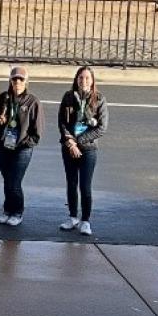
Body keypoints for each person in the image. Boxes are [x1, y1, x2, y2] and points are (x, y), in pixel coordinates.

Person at [58, 66, 107, 236]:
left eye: (87, 78)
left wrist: (78, 141)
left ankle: (85, 220)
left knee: (85, 186)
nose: (83, 81)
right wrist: (70, 142)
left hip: (88, 149)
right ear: (76, 80)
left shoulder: (99, 99)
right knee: (71, 184)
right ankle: (72, 217)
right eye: (80, 78)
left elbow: (101, 128)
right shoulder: (68, 97)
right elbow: (62, 122)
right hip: (69, 147)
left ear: (92, 80)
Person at [0, 66, 42, 227]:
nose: (17, 82)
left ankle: (17, 212)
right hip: (4, 145)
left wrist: (25, 143)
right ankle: (7, 210)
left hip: (22, 148)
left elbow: (37, 131)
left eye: (21, 79)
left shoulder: (32, 101)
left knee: (15, 182)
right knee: (7, 180)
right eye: (14, 79)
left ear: (26, 81)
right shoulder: (4, 98)